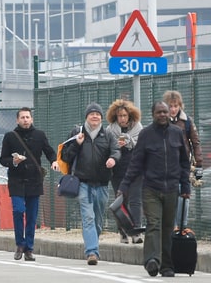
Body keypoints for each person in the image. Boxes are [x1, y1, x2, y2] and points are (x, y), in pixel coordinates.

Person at [118, 101, 190, 277]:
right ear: (153, 114)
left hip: (172, 188)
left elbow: (184, 162)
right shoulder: (146, 134)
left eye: (165, 112)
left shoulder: (177, 133)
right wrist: (125, 185)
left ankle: (166, 266)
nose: (163, 115)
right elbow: (136, 162)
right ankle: (152, 261)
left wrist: (185, 186)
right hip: (151, 188)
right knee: (154, 224)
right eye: (159, 112)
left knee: (167, 227)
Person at [61, 102, 120, 265]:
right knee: (88, 217)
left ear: (101, 118)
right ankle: (92, 252)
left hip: (101, 183)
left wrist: (112, 159)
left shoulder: (107, 135)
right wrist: (76, 144)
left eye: (98, 114)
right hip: (82, 183)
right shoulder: (76, 133)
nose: (95, 116)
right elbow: (66, 156)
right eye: (92, 114)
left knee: (97, 220)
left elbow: (116, 150)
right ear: (86, 116)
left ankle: (93, 242)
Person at [0, 107, 58, 262]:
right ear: (17, 120)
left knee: (32, 217)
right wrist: (14, 161)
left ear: (31, 119)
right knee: (18, 211)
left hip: (34, 180)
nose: (25, 120)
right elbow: (3, 159)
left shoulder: (39, 135)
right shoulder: (10, 136)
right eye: (22, 117)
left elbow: (49, 151)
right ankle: (20, 244)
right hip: (16, 180)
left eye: (28, 117)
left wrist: (54, 161)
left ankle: (29, 249)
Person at [162, 90, 204, 228]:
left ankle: (182, 227)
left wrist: (199, 164)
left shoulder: (187, 122)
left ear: (180, 106)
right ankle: (171, 228)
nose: (173, 109)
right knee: (169, 198)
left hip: (183, 165)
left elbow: (196, 143)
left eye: (176, 106)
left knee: (184, 197)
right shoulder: (162, 121)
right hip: (166, 165)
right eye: (170, 106)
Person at [105, 99, 143, 244]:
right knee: (120, 201)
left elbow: (141, 146)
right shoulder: (110, 130)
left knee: (135, 200)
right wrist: (116, 146)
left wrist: (129, 142)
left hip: (135, 169)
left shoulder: (138, 128)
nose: (122, 119)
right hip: (118, 170)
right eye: (119, 116)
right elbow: (107, 148)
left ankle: (136, 231)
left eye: (124, 115)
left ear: (130, 115)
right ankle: (123, 231)